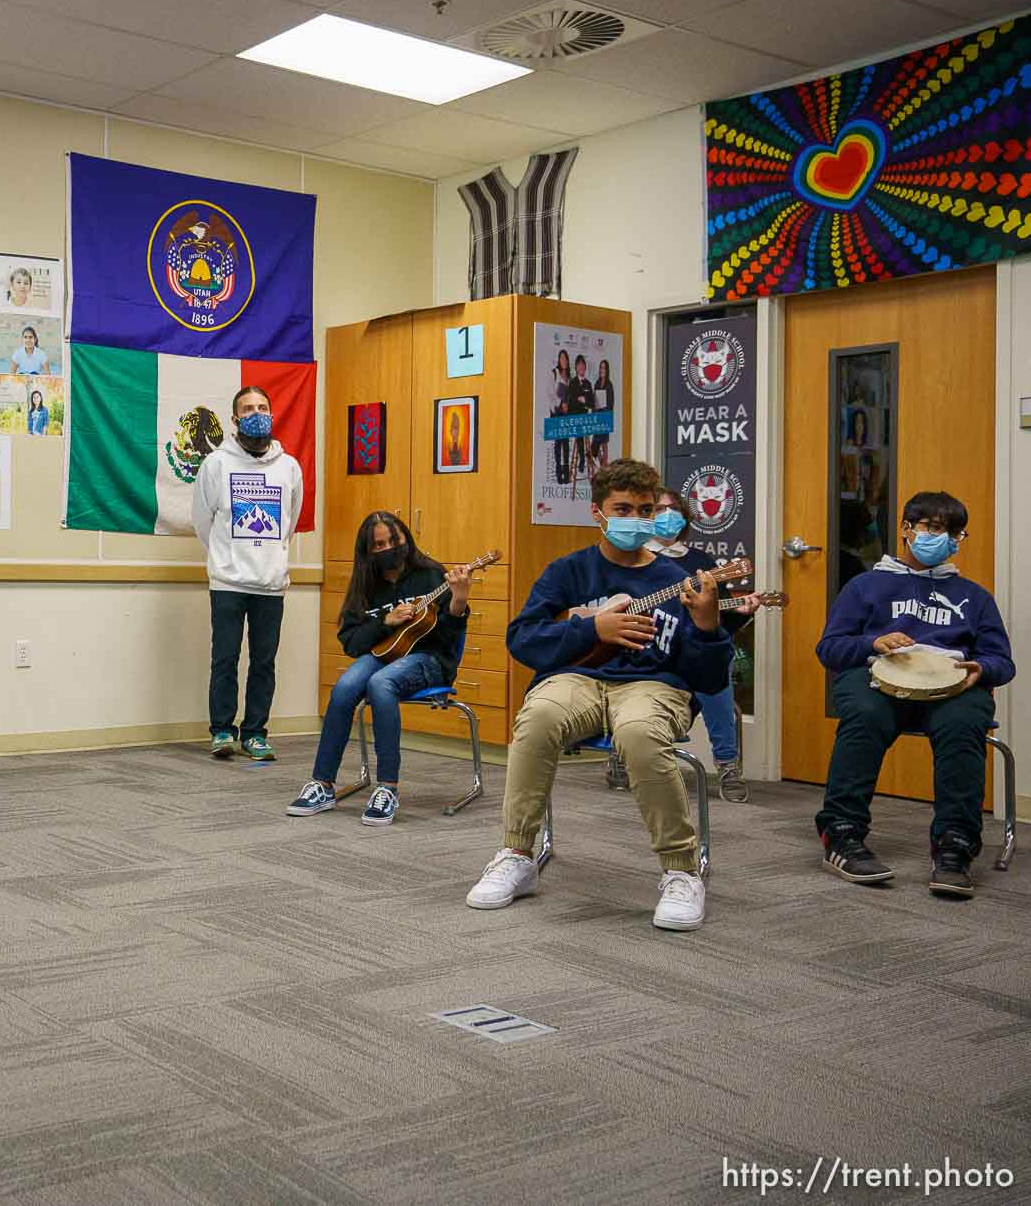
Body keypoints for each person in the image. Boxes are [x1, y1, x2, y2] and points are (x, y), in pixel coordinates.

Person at [465, 458, 731, 931]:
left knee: (639, 734)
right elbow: (522, 639)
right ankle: (517, 853)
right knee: (539, 716)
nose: (636, 519)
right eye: (623, 508)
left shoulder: (678, 579)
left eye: (645, 510)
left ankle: (681, 871)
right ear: (598, 513)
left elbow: (707, 680)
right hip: (577, 680)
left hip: (654, 685)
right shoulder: (567, 571)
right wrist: (590, 629)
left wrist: (708, 627)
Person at [813, 490, 1014, 897]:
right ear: (906, 529)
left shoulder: (975, 597)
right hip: (876, 678)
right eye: (934, 528)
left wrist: (983, 669)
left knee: (964, 724)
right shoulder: (864, 586)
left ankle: (954, 845)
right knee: (865, 716)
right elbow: (830, 648)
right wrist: (873, 644)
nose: (944, 538)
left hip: (952, 685)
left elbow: (1001, 661)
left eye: (954, 532)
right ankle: (842, 834)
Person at [288, 511, 471, 823]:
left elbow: (449, 635)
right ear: (368, 551)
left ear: (405, 539)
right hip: (385, 654)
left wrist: (459, 600)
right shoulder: (365, 585)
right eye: (380, 544)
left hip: (429, 659)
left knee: (380, 684)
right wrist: (386, 621)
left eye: (394, 541)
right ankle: (322, 784)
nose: (389, 548)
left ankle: (388, 787)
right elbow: (351, 642)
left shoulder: (430, 575)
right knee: (345, 687)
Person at [193, 386, 305, 763]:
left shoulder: (288, 467)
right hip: (227, 581)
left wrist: (269, 558)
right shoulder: (216, 465)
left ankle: (255, 733)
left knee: (263, 662)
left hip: (270, 584)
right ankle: (222, 730)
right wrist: (227, 558)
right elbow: (202, 522)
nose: (256, 413)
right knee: (224, 658)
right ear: (235, 419)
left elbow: (288, 522)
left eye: (262, 407)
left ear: (271, 414)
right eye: (248, 408)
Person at [646, 490, 758, 794]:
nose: (667, 514)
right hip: (650, 646)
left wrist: (740, 611)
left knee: (717, 670)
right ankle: (626, 753)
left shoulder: (701, 562)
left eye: (673, 509)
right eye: (658, 508)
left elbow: (716, 618)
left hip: (693, 647)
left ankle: (726, 765)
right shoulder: (637, 558)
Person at [568, 353, 594, 479]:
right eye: (579, 365)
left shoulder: (588, 384)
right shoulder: (572, 383)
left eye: (583, 365)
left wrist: (584, 401)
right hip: (576, 416)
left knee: (593, 426)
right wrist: (580, 400)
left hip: (586, 416)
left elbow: (591, 402)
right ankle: (582, 457)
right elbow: (571, 401)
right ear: (576, 368)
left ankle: (589, 455)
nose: (582, 368)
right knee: (579, 428)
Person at [551, 348, 572, 485]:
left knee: (566, 444)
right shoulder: (554, 373)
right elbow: (549, 393)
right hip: (556, 412)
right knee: (558, 444)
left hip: (566, 413)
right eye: (561, 358)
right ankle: (559, 474)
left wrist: (568, 405)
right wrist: (560, 403)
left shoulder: (570, 377)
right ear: (559, 360)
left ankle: (566, 475)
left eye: (565, 358)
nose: (563, 361)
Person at [590, 358, 615, 470]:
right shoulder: (596, 383)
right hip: (597, 415)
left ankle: (604, 464)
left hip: (605, 416)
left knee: (604, 442)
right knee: (596, 439)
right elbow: (594, 399)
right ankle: (599, 462)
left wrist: (605, 409)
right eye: (601, 367)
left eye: (604, 368)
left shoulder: (609, 384)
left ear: (607, 370)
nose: (602, 370)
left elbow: (611, 402)